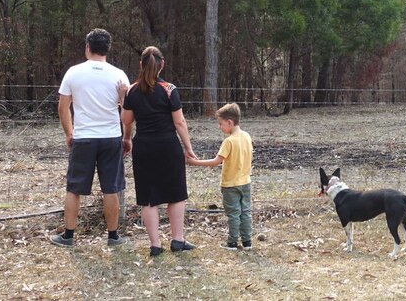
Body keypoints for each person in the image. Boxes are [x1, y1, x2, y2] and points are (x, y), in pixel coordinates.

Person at [51, 28, 130, 248]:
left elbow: (63, 107)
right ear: (108, 49)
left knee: (74, 188)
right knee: (111, 188)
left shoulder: (73, 72)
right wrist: (126, 137)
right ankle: (113, 236)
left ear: (88, 47)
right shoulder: (119, 75)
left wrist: (70, 132)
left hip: (84, 137)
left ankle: (68, 235)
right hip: (111, 137)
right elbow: (127, 112)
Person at [121, 46, 198, 257]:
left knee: (148, 197)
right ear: (162, 65)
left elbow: (126, 121)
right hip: (168, 147)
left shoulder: (131, 91)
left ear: (140, 65)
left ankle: (155, 245)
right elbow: (180, 122)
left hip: (144, 148)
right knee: (176, 194)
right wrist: (188, 148)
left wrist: (127, 138)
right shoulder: (169, 89)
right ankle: (178, 240)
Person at [187, 103, 254, 251]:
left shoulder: (229, 141)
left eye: (221, 124)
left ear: (230, 122)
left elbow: (216, 161)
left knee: (234, 214)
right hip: (246, 182)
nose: (220, 127)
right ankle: (247, 241)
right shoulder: (247, 136)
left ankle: (232, 243)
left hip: (230, 185)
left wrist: (194, 162)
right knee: (246, 212)